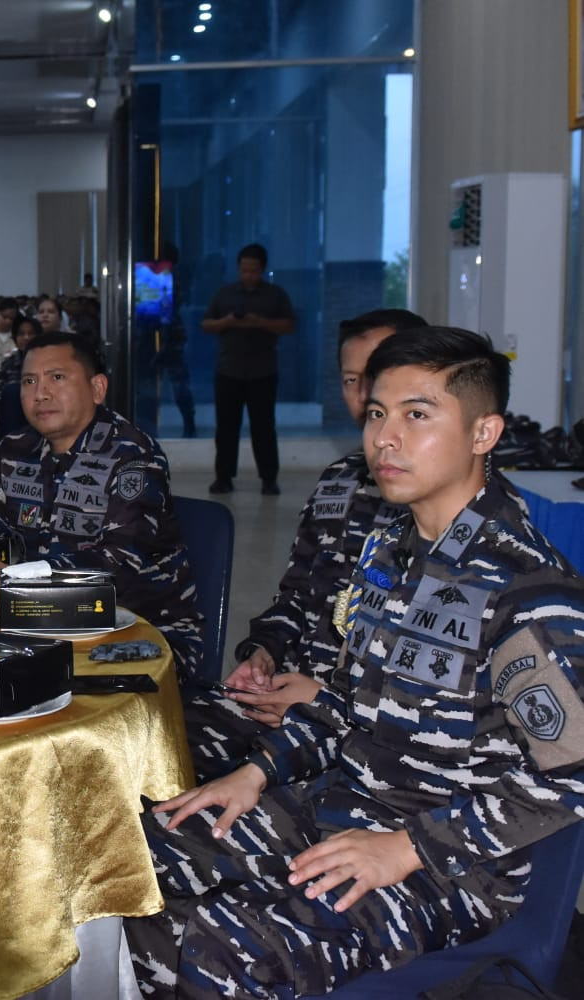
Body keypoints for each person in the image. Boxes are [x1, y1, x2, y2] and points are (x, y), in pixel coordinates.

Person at [126, 327, 584, 998]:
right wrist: (256, 773)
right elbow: (345, 701)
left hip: (446, 864)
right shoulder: (389, 552)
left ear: (484, 433)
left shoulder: (525, 588)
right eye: (377, 413)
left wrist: (406, 848)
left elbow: (572, 774)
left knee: (220, 953)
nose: (384, 438)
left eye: (417, 415)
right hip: (340, 805)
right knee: (130, 857)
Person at [183, 308, 427, 780]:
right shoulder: (340, 481)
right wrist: (263, 655)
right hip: (282, 693)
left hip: (360, 731)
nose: (364, 397)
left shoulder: (441, 505)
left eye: (377, 378)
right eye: (352, 380)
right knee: (146, 745)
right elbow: (297, 593)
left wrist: (319, 701)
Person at [0, 331, 201, 674]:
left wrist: (11, 582)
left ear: (97, 388)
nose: (40, 393)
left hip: (140, 631)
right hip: (34, 621)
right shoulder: (15, 451)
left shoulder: (133, 456)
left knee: (31, 691)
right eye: (30, 381)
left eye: (57, 377)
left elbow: (120, 565)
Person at [202, 243, 296, 495]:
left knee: (263, 427)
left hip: (263, 371)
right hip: (228, 370)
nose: (248, 275)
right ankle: (223, 477)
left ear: (262, 269)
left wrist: (260, 322)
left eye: (253, 270)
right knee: (226, 428)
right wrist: (227, 322)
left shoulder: (275, 295)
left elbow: (289, 325)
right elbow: (207, 323)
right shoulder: (225, 294)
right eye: (244, 270)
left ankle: (268, 478)